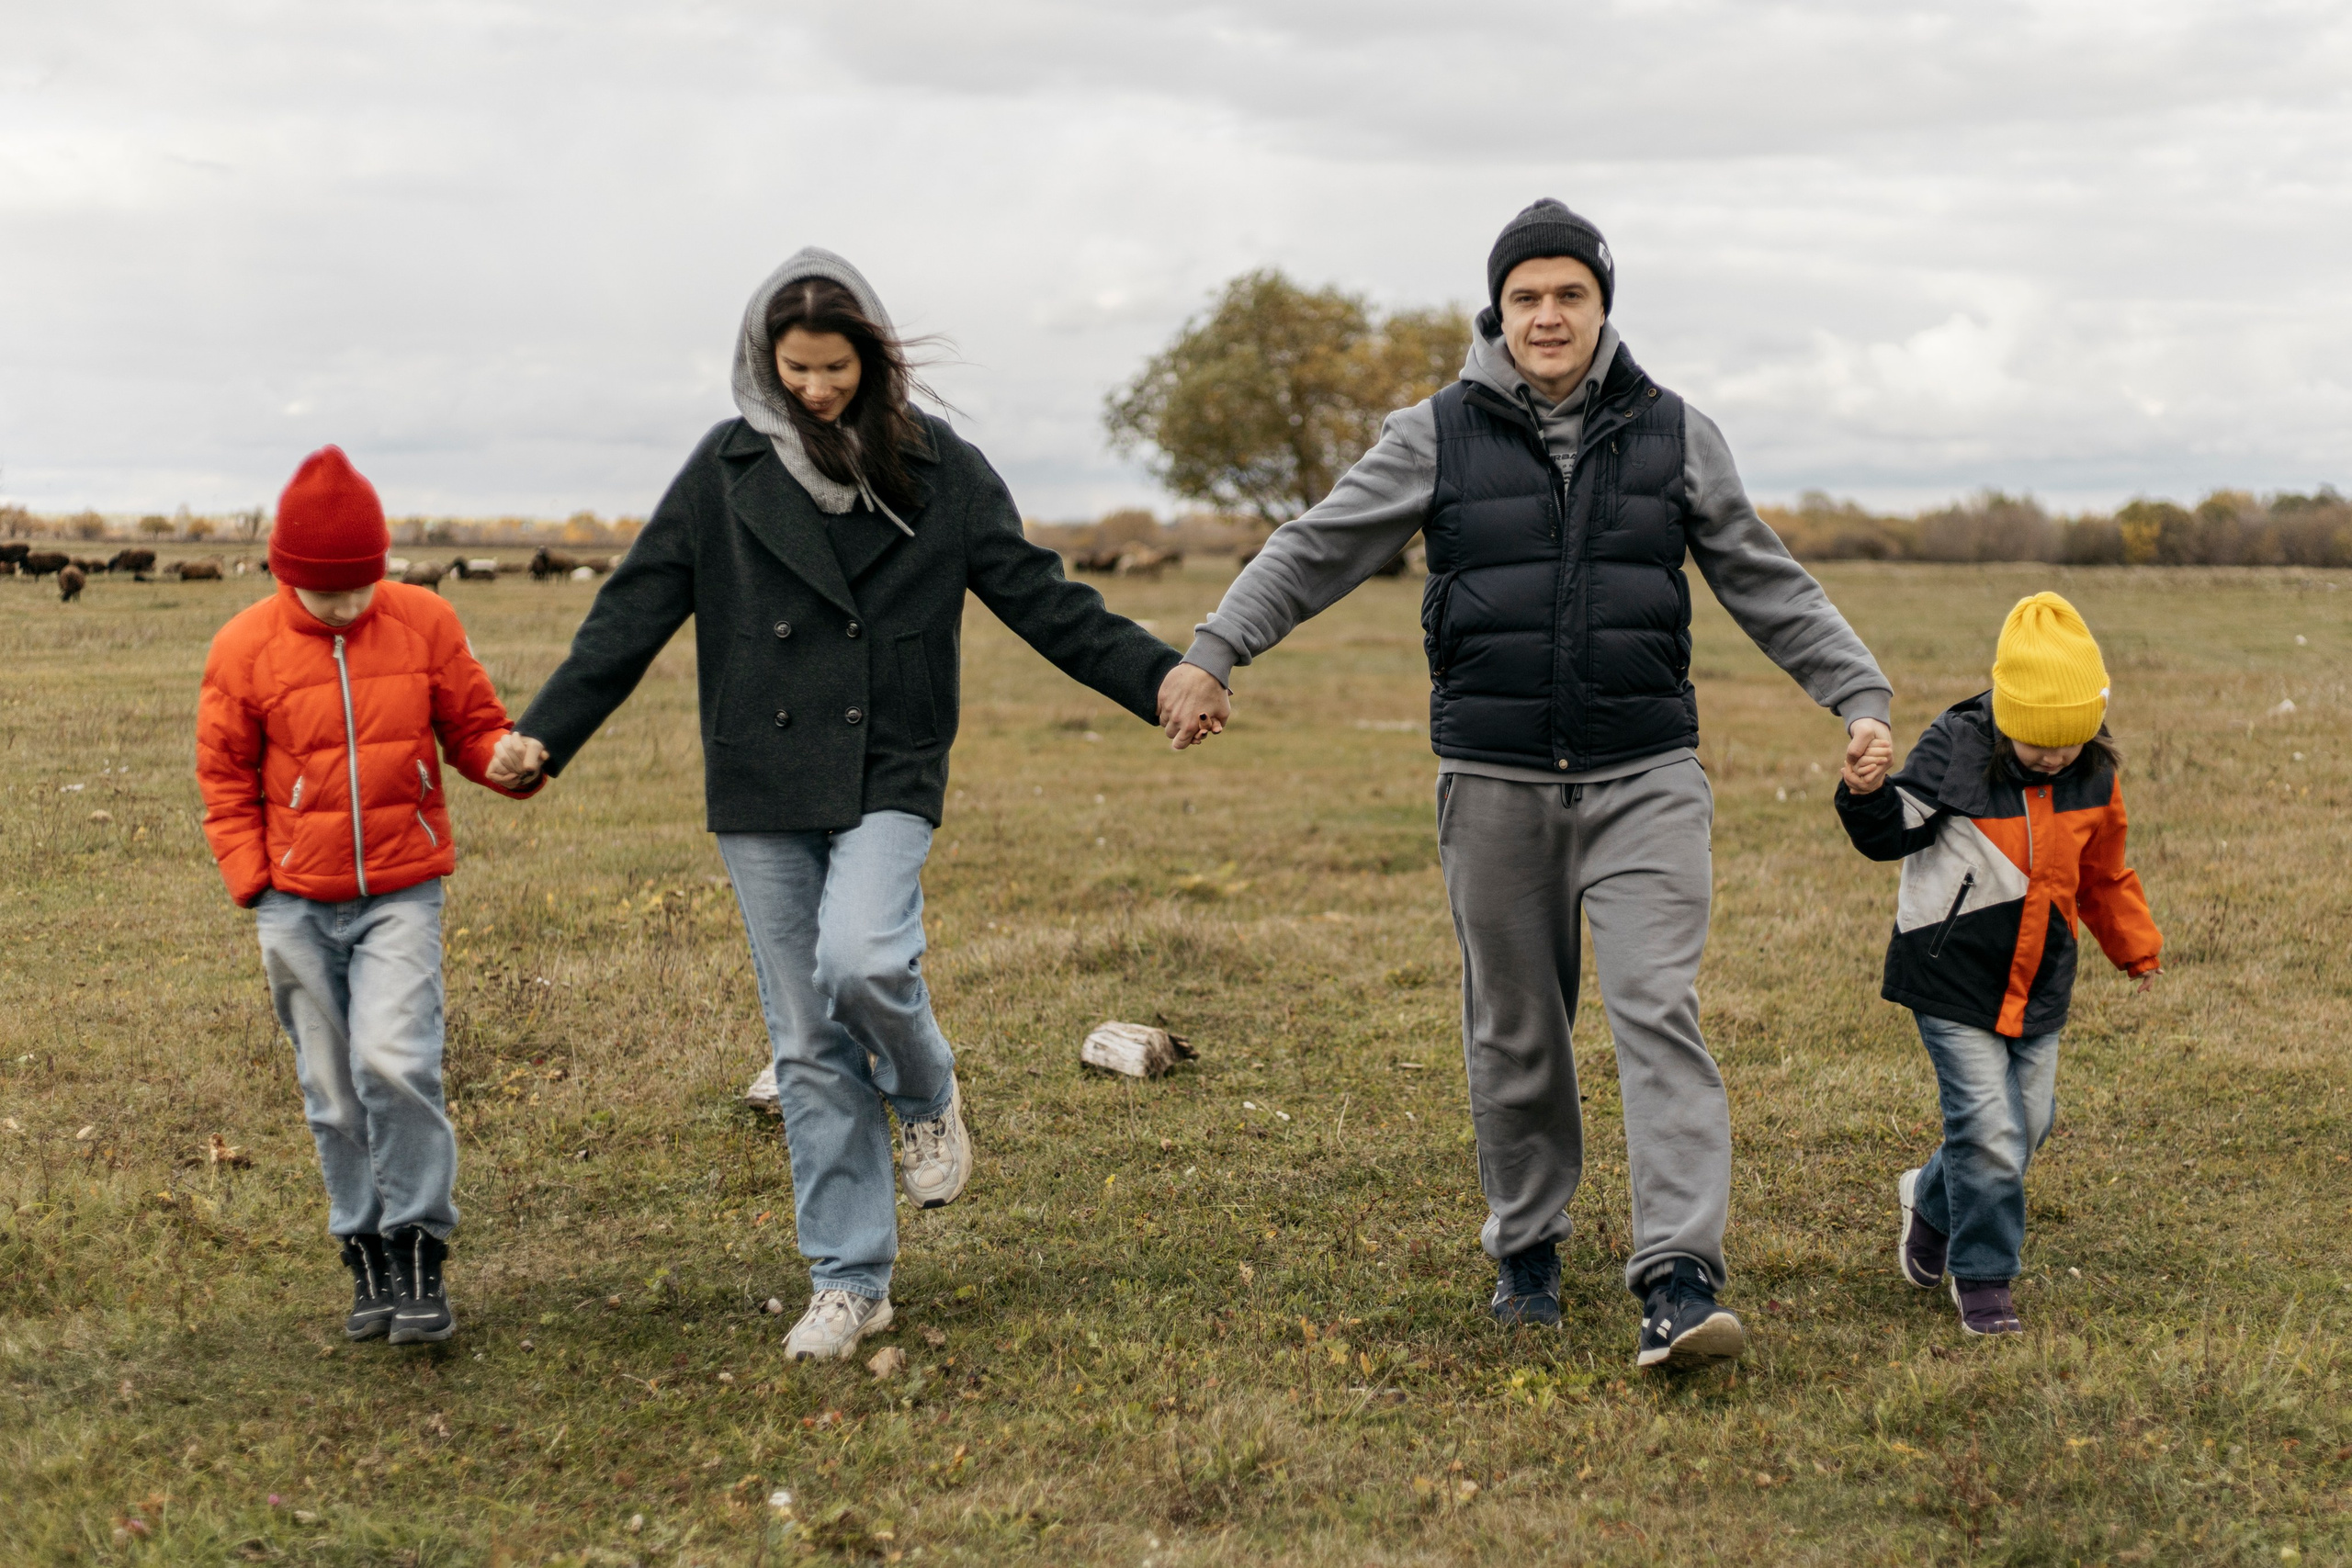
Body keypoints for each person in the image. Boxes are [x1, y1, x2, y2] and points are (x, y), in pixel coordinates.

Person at [1158, 199, 1895, 1369]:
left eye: (1570, 295)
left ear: (1602, 306)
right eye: (1526, 297)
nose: (1547, 316)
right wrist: (1214, 649)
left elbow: (1767, 578)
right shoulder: (1434, 432)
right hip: (1494, 780)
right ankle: (1528, 1251)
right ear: (1495, 312)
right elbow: (1316, 545)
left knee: (1658, 1011)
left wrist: (1855, 696)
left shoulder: (1674, 432)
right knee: (1516, 1031)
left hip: (1646, 773)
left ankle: (1678, 1276)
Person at [488, 249, 1182, 1362]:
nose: (816, 390)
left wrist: (1159, 678)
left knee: (862, 962)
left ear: (872, 357)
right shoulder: (723, 472)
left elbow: (1040, 594)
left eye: (835, 368)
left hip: (888, 762)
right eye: (796, 369)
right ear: (763, 363)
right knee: (808, 1039)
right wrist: (545, 735)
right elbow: (630, 613)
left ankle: (927, 1087)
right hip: (759, 781)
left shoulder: (936, 466)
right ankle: (851, 1281)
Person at [196, 446, 542, 1347]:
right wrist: (254, 882)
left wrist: (505, 761)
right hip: (294, 902)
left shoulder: (424, 621)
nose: (347, 605)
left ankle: (420, 1250)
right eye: (327, 592)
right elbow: (223, 776)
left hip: (402, 890)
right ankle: (367, 1259)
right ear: (287, 575)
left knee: (396, 1063)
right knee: (331, 1089)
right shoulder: (242, 647)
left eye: (361, 587)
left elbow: (474, 727)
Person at [1836, 592, 2161, 1336]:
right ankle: (1983, 1278)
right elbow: (1895, 832)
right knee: (1989, 1127)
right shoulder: (1955, 745)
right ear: (2005, 714)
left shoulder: (2094, 776)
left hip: (2040, 982)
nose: (2050, 755)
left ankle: (1929, 1200)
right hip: (1951, 977)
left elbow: (2104, 875)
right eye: (2033, 739)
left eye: (2066, 741)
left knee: (2027, 1124)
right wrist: (1865, 794)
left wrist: (2135, 945)